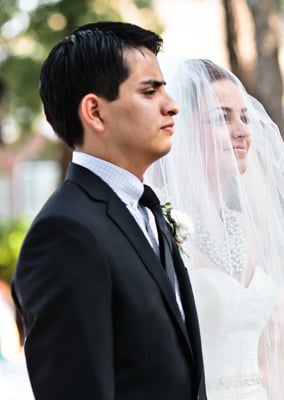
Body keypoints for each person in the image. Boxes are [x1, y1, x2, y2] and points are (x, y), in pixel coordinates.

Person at [11, 22, 206, 400]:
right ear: (95, 112)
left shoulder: (147, 211)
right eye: (150, 91)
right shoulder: (65, 233)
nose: (172, 105)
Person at [145, 56, 284, 399]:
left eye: (243, 116)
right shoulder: (158, 227)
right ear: (180, 128)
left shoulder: (245, 227)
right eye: (221, 118)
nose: (243, 129)